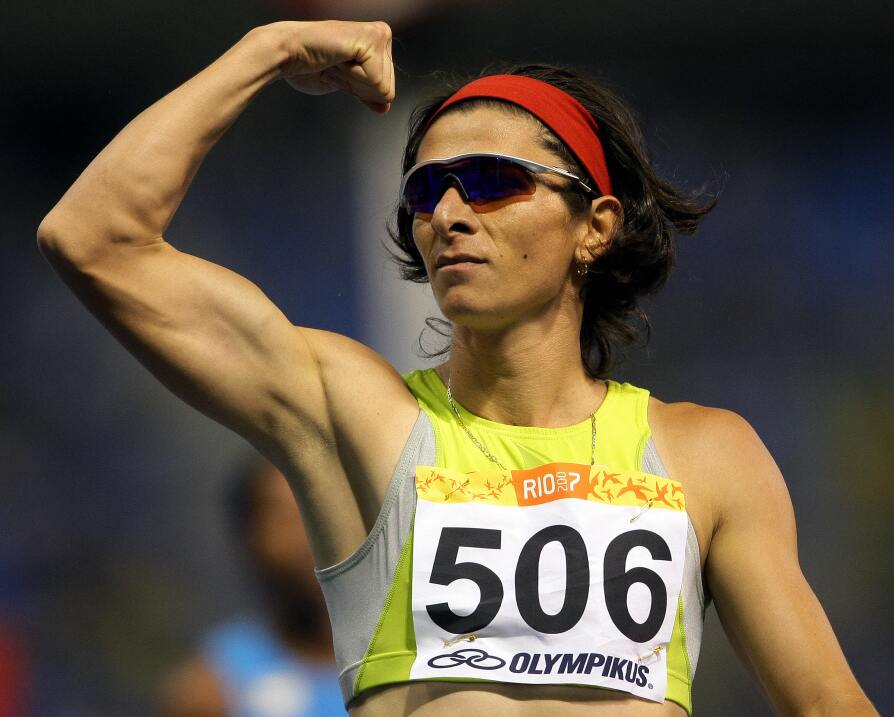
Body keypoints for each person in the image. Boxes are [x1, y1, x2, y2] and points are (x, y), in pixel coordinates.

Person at [37, 19, 876, 716]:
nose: (446, 213)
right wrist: (269, 49)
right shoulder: (360, 420)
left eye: (490, 181)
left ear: (596, 225)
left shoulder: (709, 457)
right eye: (425, 189)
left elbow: (828, 703)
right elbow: (94, 238)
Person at [158, 459, 343, 716]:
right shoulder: (213, 689)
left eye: (321, 514)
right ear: (251, 540)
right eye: (287, 521)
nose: (309, 540)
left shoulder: (402, 658)